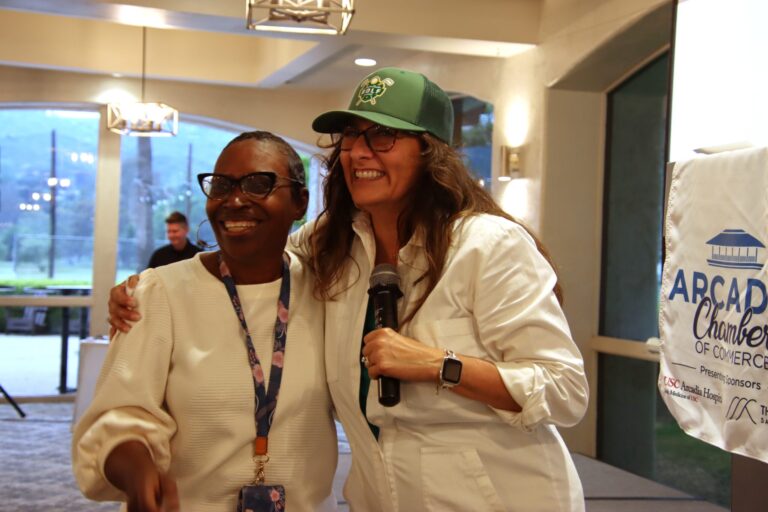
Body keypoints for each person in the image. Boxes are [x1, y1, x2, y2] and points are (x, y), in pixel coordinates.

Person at [109, 67, 589, 511]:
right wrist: (151, 287)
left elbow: (565, 390)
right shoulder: (330, 245)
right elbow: (251, 249)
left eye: (382, 135)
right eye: (351, 136)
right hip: (381, 497)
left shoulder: (486, 245)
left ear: (430, 151)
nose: (359, 151)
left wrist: (440, 365)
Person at [74, 131, 338, 512]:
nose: (234, 199)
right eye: (222, 185)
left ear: (300, 201)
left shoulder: (327, 292)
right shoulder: (161, 292)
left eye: (258, 184)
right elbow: (120, 416)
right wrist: (138, 473)